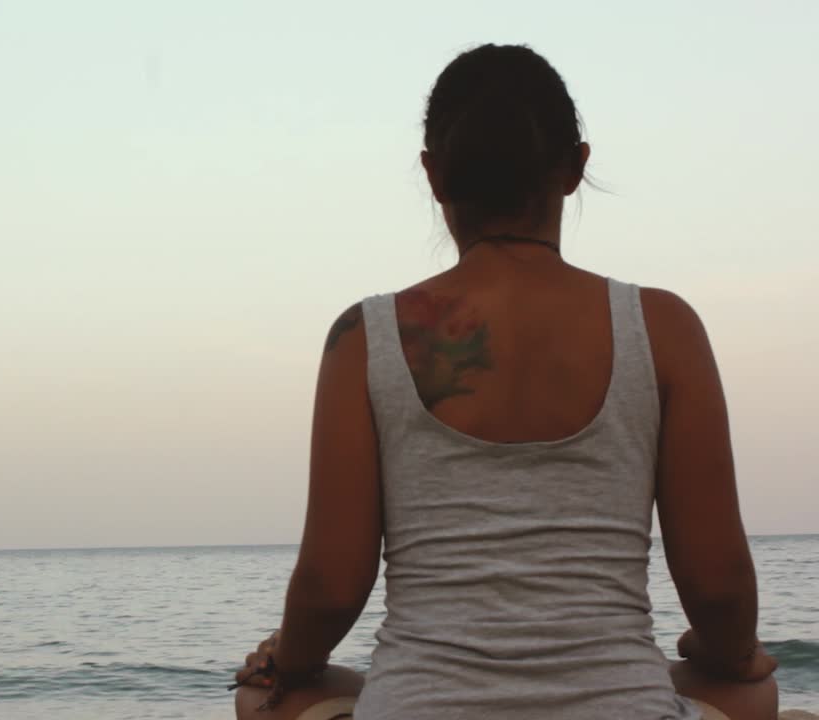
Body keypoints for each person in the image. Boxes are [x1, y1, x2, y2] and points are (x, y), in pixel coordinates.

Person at [231, 43, 779, 720]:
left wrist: (283, 658)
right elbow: (720, 588)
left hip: (420, 708)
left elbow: (329, 586)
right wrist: (731, 653)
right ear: (576, 167)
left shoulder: (364, 339)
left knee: (267, 697)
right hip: (621, 707)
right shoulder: (663, 329)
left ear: (434, 176)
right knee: (752, 692)